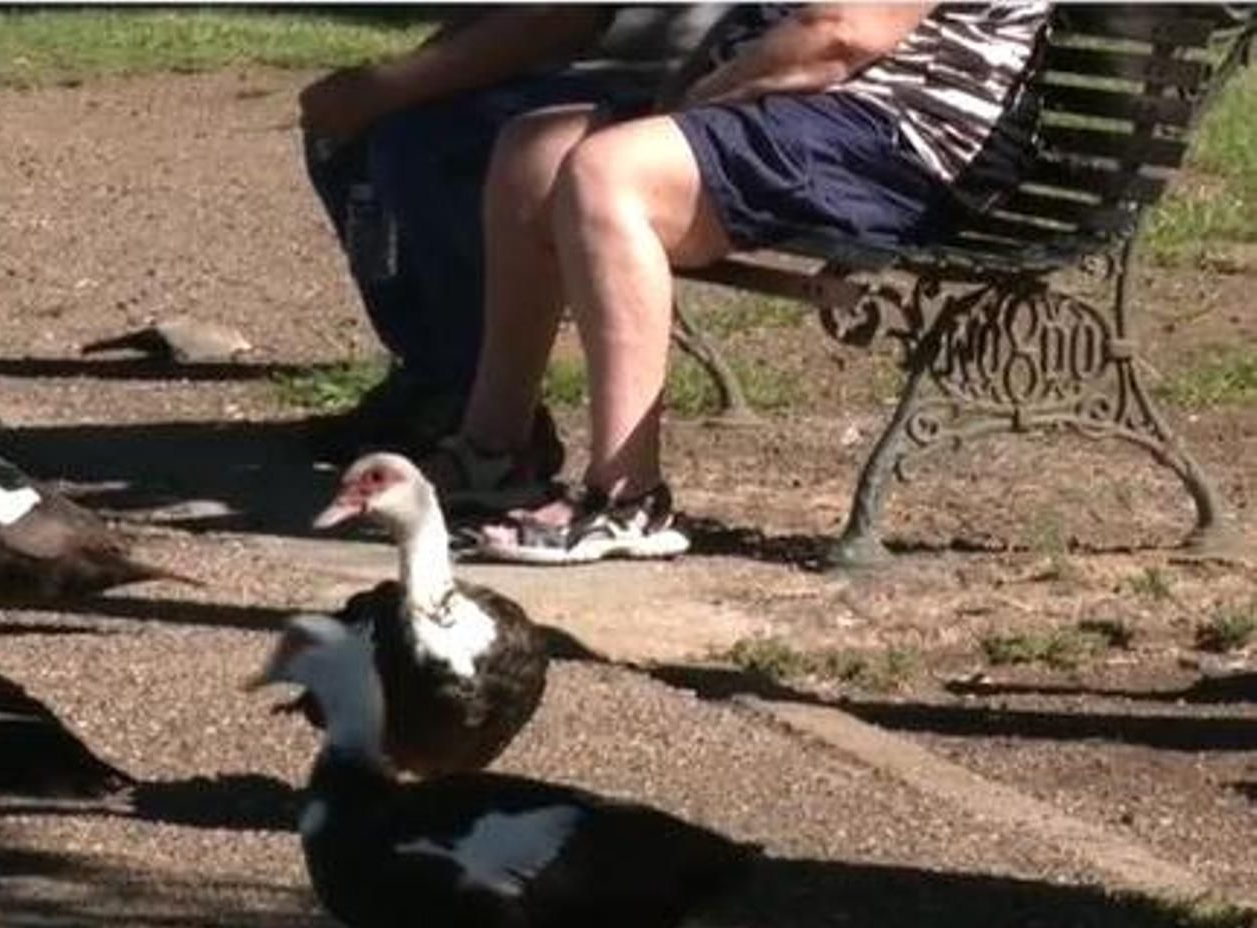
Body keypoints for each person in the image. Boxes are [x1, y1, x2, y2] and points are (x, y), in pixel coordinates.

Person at [418, 2, 1052, 564]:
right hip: (818, 105)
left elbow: (840, 33)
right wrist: (688, 94)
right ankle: (496, 455)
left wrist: (697, 100)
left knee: (610, 174)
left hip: (902, 139)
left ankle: (626, 499)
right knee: (532, 155)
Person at [300, 5, 732, 465]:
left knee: (423, 146)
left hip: (664, 90)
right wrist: (381, 86)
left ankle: (477, 396)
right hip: (569, 71)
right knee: (348, 138)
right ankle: (431, 371)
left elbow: (557, 20)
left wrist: (387, 89)